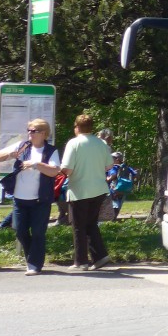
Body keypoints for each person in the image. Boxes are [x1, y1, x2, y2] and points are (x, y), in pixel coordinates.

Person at [0, 119, 61, 275]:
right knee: (20, 230)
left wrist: (36, 164)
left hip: (40, 200)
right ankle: (33, 258)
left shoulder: (51, 151)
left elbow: (54, 171)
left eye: (34, 131)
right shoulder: (22, 146)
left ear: (43, 133)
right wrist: (10, 154)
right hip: (20, 198)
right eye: (29, 130)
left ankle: (34, 265)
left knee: (38, 232)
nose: (30, 133)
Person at [60, 113, 114, 270]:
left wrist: (60, 171)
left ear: (77, 127)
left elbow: (68, 169)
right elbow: (109, 166)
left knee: (79, 226)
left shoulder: (74, 143)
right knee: (91, 223)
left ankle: (81, 261)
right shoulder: (101, 143)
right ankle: (100, 256)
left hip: (79, 190)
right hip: (99, 189)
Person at [106, 152, 138, 220]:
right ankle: (114, 218)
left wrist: (107, 179)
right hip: (124, 189)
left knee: (114, 204)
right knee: (119, 203)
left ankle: (112, 219)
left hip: (114, 189)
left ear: (117, 159)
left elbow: (113, 175)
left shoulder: (114, 167)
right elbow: (135, 174)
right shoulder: (126, 167)